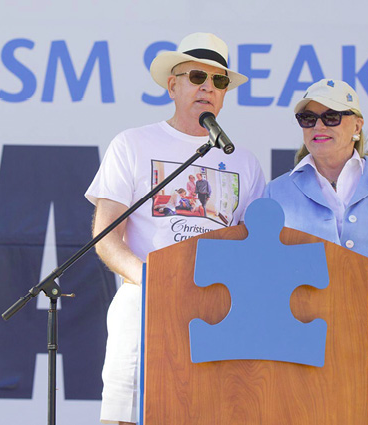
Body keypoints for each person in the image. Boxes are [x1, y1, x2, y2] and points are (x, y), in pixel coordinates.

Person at [85, 32, 266, 425]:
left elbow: (255, 247)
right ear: (173, 84)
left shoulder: (245, 162)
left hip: (217, 311)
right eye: (198, 76)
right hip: (144, 303)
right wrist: (152, 282)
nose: (209, 87)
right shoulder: (132, 144)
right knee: (125, 416)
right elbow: (106, 236)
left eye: (219, 81)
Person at [262, 78, 368, 425]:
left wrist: (359, 291)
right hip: (303, 358)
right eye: (308, 119)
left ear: (357, 125)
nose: (319, 125)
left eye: (331, 116)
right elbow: (266, 268)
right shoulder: (276, 192)